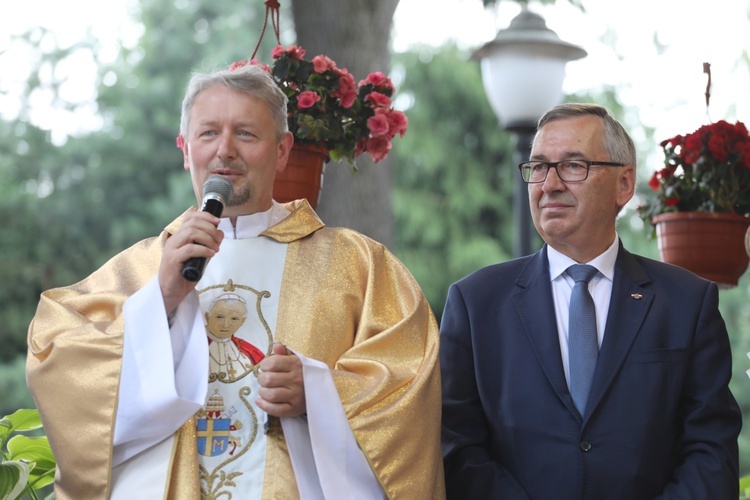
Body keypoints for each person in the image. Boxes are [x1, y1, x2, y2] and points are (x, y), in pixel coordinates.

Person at [27, 63, 444, 499]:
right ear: (186, 149)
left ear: (283, 150)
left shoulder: (359, 265)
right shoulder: (139, 269)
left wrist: (319, 394)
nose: (225, 150)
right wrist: (161, 298)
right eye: (208, 133)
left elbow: (407, 380)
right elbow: (58, 356)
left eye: (245, 133)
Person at [439, 103, 742, 499]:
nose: (549, 184)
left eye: (573, 166)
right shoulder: (475, 303)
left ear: (624, 184)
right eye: (538, 167)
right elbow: (455, 447)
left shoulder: (687, 302)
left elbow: (710, 451)